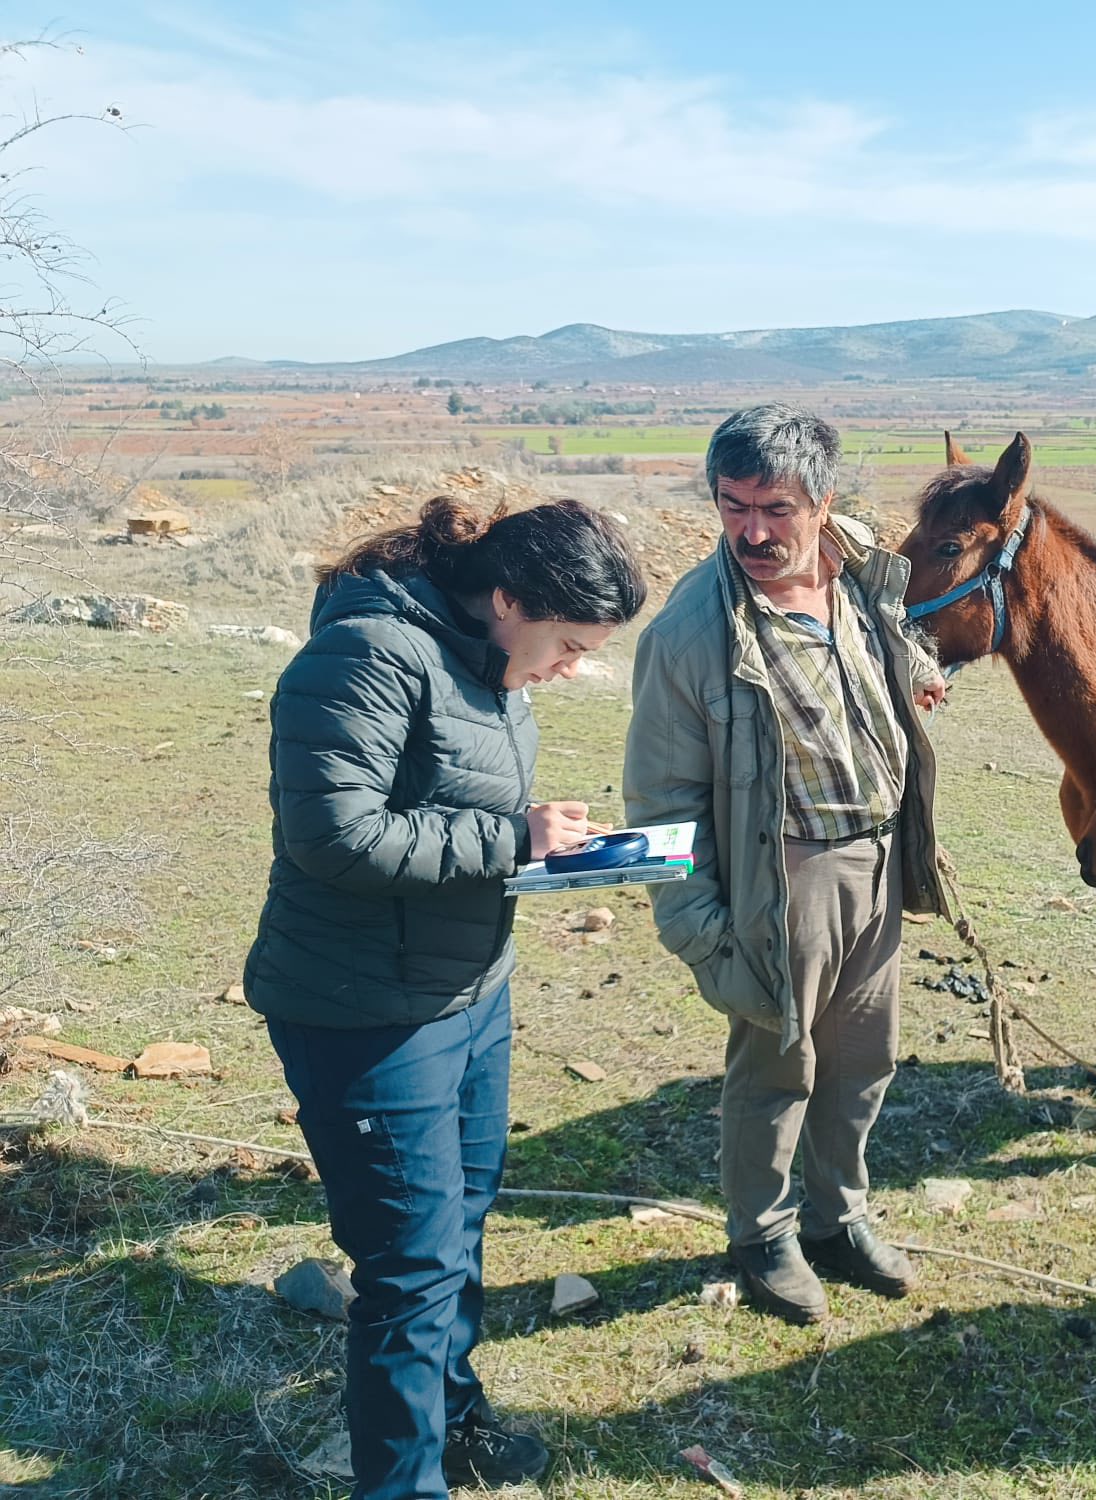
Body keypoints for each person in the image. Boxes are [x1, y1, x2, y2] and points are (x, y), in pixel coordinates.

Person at [245, 495, 646, 1499]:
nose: (571, 667)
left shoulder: (483, 658)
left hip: (467, 994)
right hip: (366, 1012)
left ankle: (453, 1420)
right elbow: (335, 838)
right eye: (567, 643)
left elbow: (448, 810)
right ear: (505, 597)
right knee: (409, 1270)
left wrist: (551, 847)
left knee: (457, 1226)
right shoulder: (363, 657)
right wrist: (517, 839)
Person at [625, 402, 947, 1324]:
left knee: (862, 1060)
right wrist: (700, 931)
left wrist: (918, 673)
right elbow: (661, 806)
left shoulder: (859, 570)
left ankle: (837, 1218)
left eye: (775, 508)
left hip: (879, 859)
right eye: (733, 507)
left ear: (822, 501)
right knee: (776, 1065)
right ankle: (763, 1237)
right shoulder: (690, 635)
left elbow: (898, 643)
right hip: (785, 877)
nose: (753, 532)